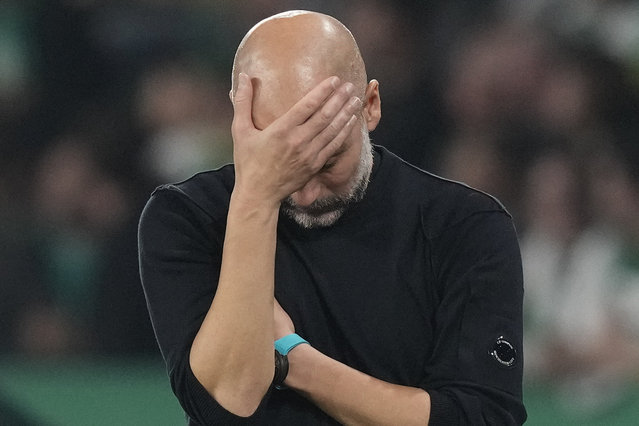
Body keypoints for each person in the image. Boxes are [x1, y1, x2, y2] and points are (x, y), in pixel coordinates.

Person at [138, 10, 526, 425]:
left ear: (370, 107)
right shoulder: (187, 217)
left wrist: (293, 358)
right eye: (283, 161)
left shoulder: (464, 226)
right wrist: (257, 196)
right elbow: (224, 407)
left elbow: (481, 419)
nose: (305, 192)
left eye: (325, 160)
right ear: (240, 123)